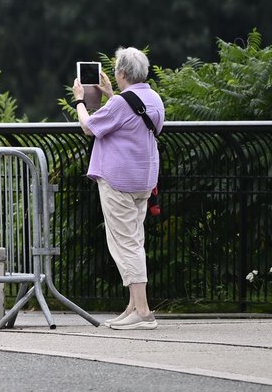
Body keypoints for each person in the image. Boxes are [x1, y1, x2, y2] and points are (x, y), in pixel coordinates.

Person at [73, 46, 164, 330]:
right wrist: (112, 94)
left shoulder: (121, 103)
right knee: (134, 240)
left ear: (121, 72)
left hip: (118, 181)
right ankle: (133, 306)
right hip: (143, 179)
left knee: (125, 244)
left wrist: (79, 101)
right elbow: (132, 121)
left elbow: (89, 127)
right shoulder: (153, 98)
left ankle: (144, 311)